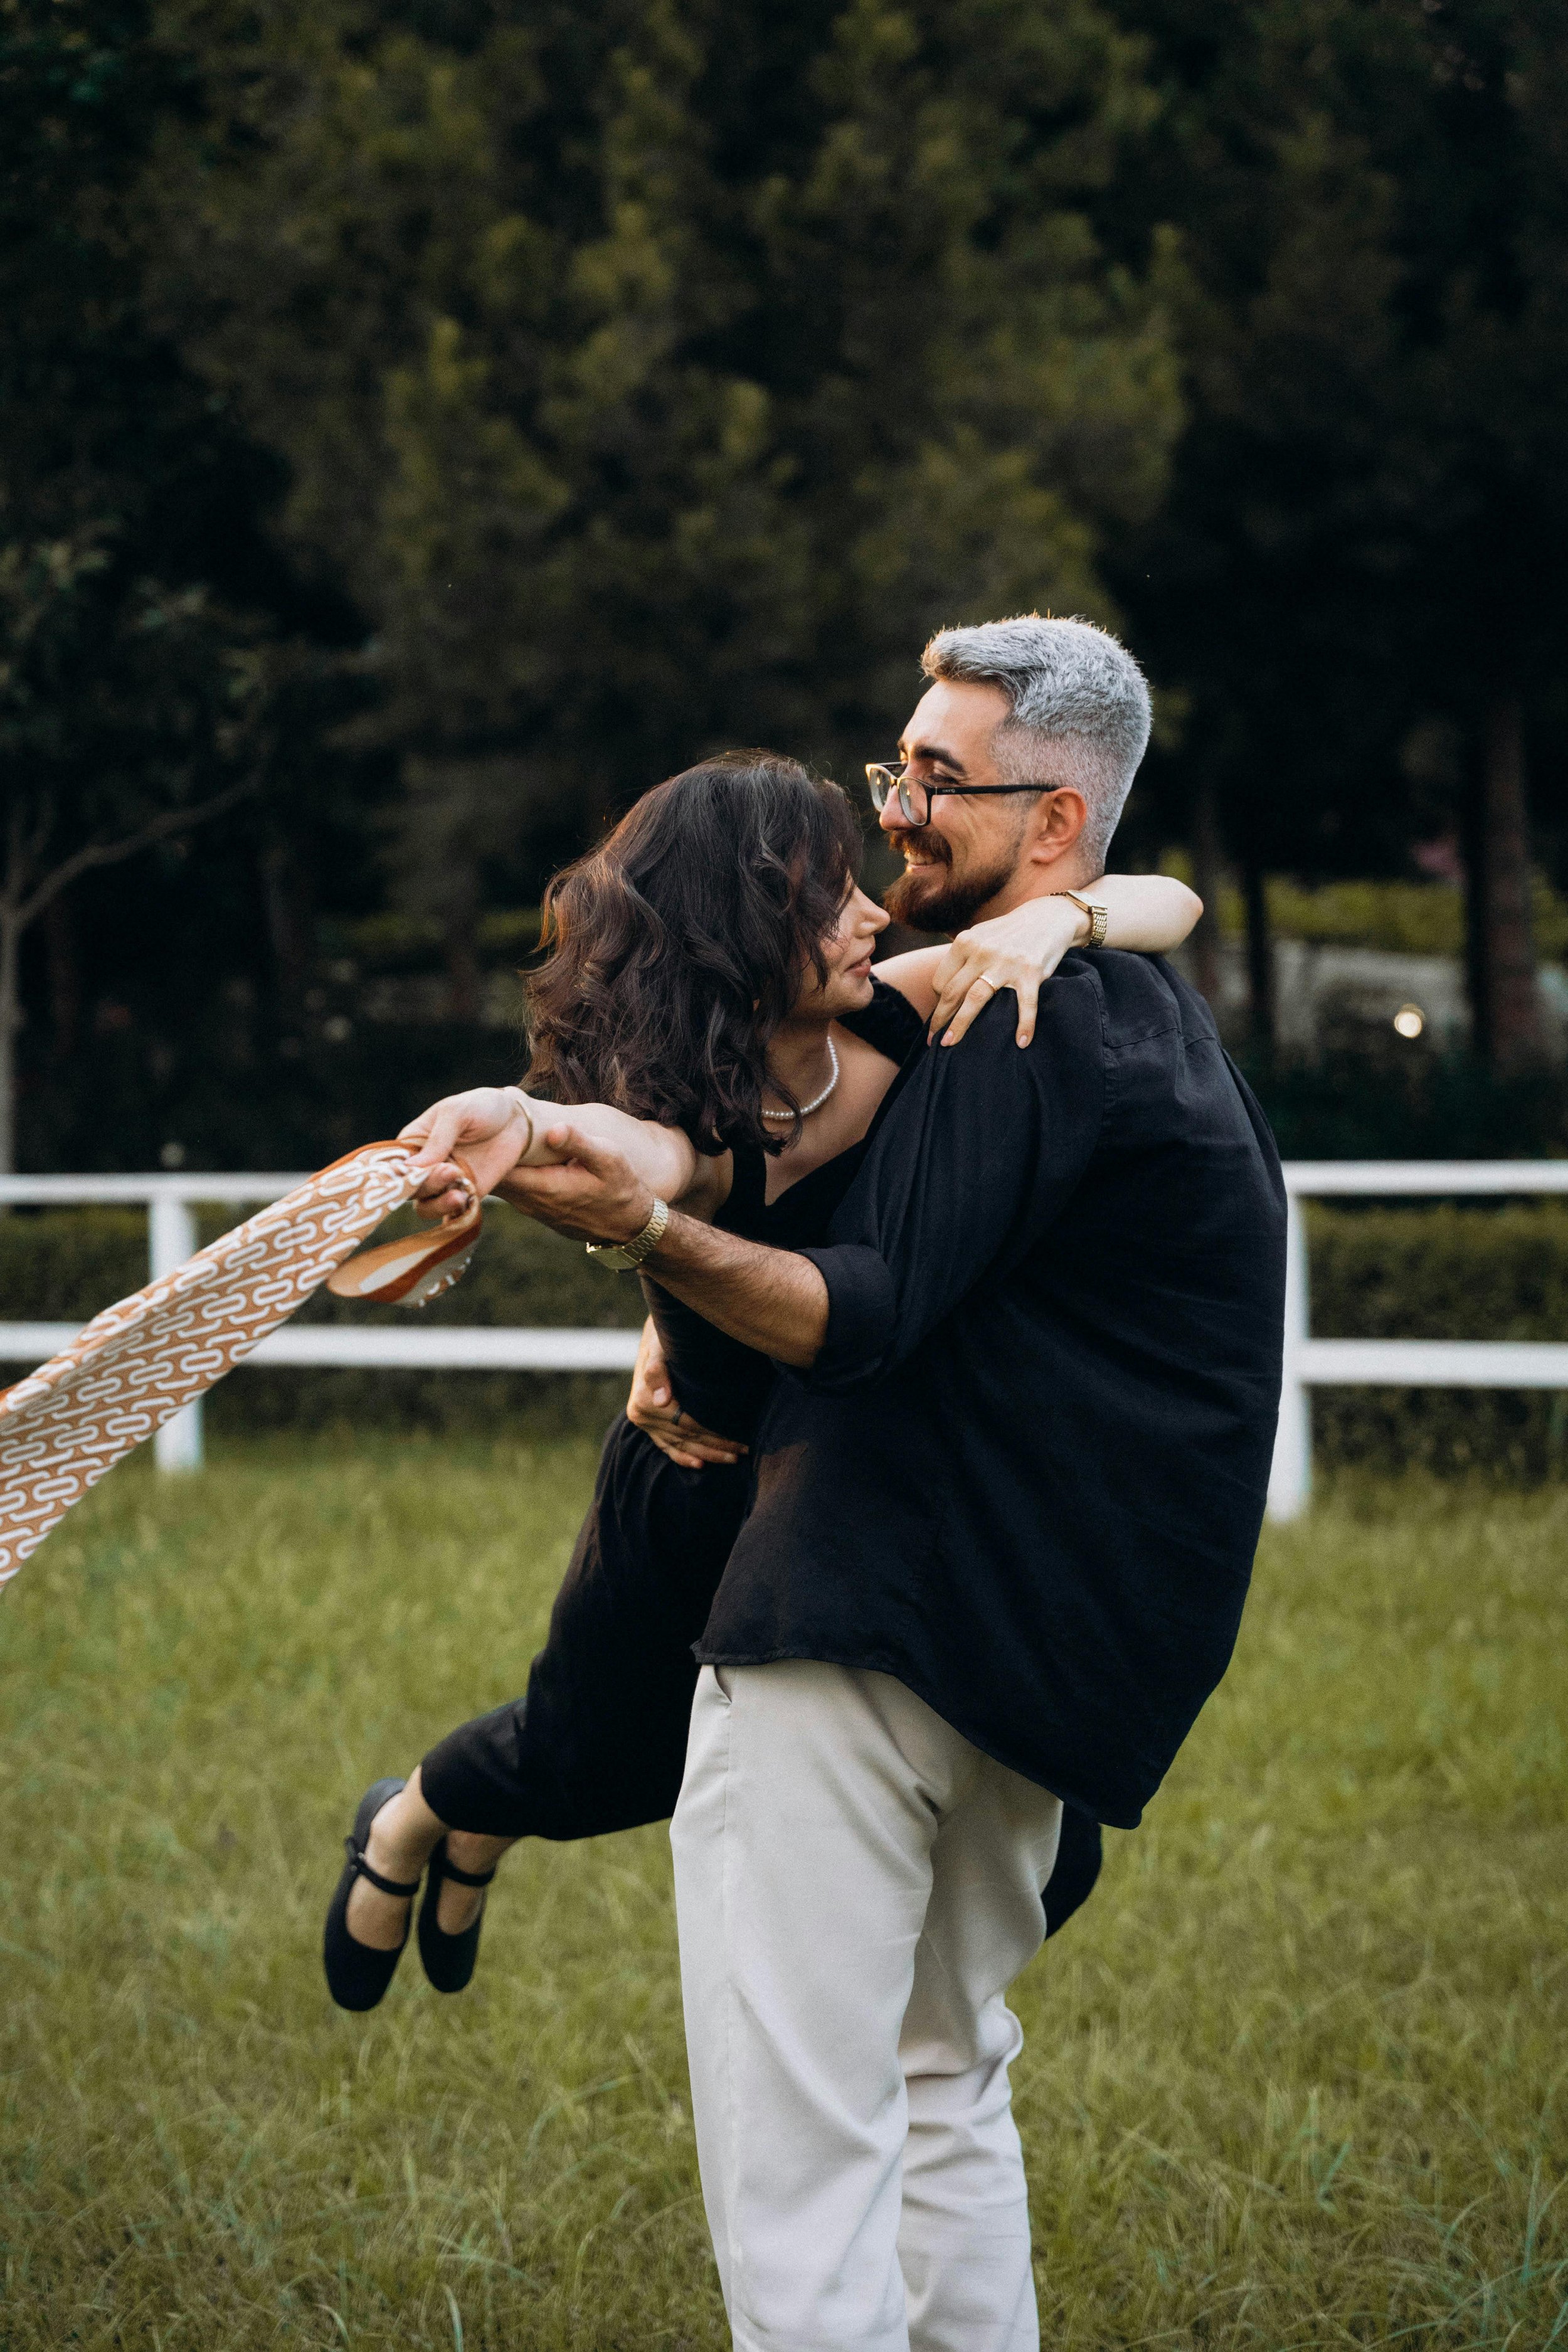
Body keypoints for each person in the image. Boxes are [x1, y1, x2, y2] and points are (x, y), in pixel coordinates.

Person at [464, 618, 1288, 2352]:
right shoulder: (1062, 994)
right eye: (889, 772)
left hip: (860, 1628)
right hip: (1048, 1677)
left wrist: (661, 1239)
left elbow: (859, 1302)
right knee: (939, 2082)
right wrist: (585, 1151)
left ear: (1053, 820)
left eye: (932, 781)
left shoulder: (1021, 1003)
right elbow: (739, 1131)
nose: (896, 811)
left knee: (802, 2156)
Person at [322, 746, 1202, 2013]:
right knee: (590, 1762)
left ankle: (476, 1838)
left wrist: (1053, 923)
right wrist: (521, 1124)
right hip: (691, 1487)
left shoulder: (896, 1005)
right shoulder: (685, 1111)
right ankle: (411, 1824)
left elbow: (1169, 905)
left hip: (845, 1491)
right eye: (825, 898)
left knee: (1052, 1849)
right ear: (742, 941)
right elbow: (632, 1154)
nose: (870, 911)